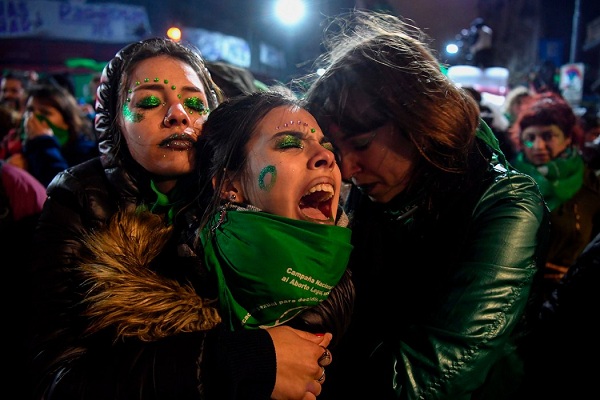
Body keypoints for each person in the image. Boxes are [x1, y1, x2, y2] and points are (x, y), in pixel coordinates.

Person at [28, 37, 333, 400]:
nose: (178, 115)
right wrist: (230, 360)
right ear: (114, 122)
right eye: (150, 102)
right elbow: (56, 379)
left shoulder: (244, 181)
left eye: (194, 103)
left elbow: (325, 289)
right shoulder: (78, 198)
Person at [302, 10, 550, 400]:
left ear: (418, 120)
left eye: (362, 144)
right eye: (338, 151)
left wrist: (300, 368)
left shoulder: (505, 205)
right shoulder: (381, 190)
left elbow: (431, 379)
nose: (347, 169)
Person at [509, 92, 600, 300]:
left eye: (548, 136)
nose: (539, 146)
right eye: (530, 138)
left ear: (567, 138)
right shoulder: (508, 182)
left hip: (564, 302)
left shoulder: (591, 189)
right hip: (513, 299)